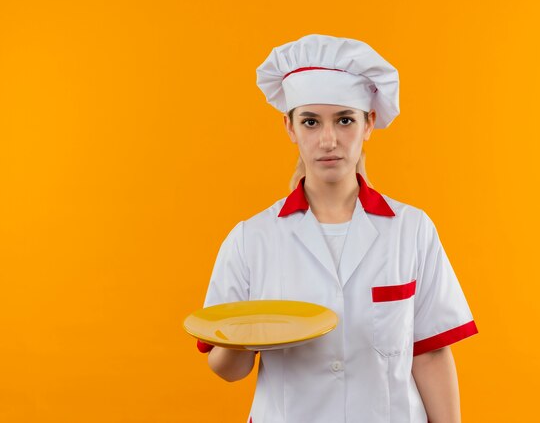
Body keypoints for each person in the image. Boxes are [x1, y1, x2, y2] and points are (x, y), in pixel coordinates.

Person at [196, 34, 478, 423]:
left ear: (368, 124)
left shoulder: (412, 230)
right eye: (311, 122)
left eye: (345, 120)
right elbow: (228, 369)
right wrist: (244, 335)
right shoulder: (250, 239)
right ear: (290, 128)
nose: (328, 139)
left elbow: (429, 353)